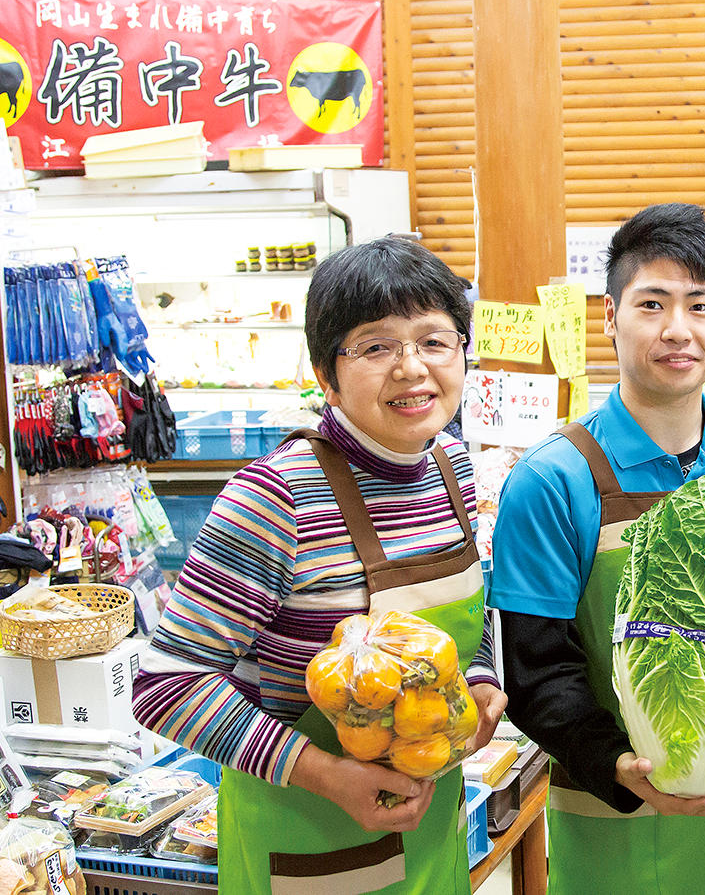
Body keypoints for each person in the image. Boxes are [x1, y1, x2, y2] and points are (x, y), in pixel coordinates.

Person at [132, 237, 507, 895]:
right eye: (375, 346)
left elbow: (452, 632)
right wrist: (330, 776)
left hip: (429, 835)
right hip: (305, 845)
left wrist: (474, 680)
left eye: (434, 341)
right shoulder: (276, 497)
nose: (411, 368)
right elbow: (168, 684)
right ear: (326, 374)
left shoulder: (452, 468)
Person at [488, 202, 705, 894]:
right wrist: (615, 766)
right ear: (610, 316)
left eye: (699, 306)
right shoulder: (553, 479)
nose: (678, 329)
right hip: (610, 841)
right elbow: (534, 667)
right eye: (652, 304)